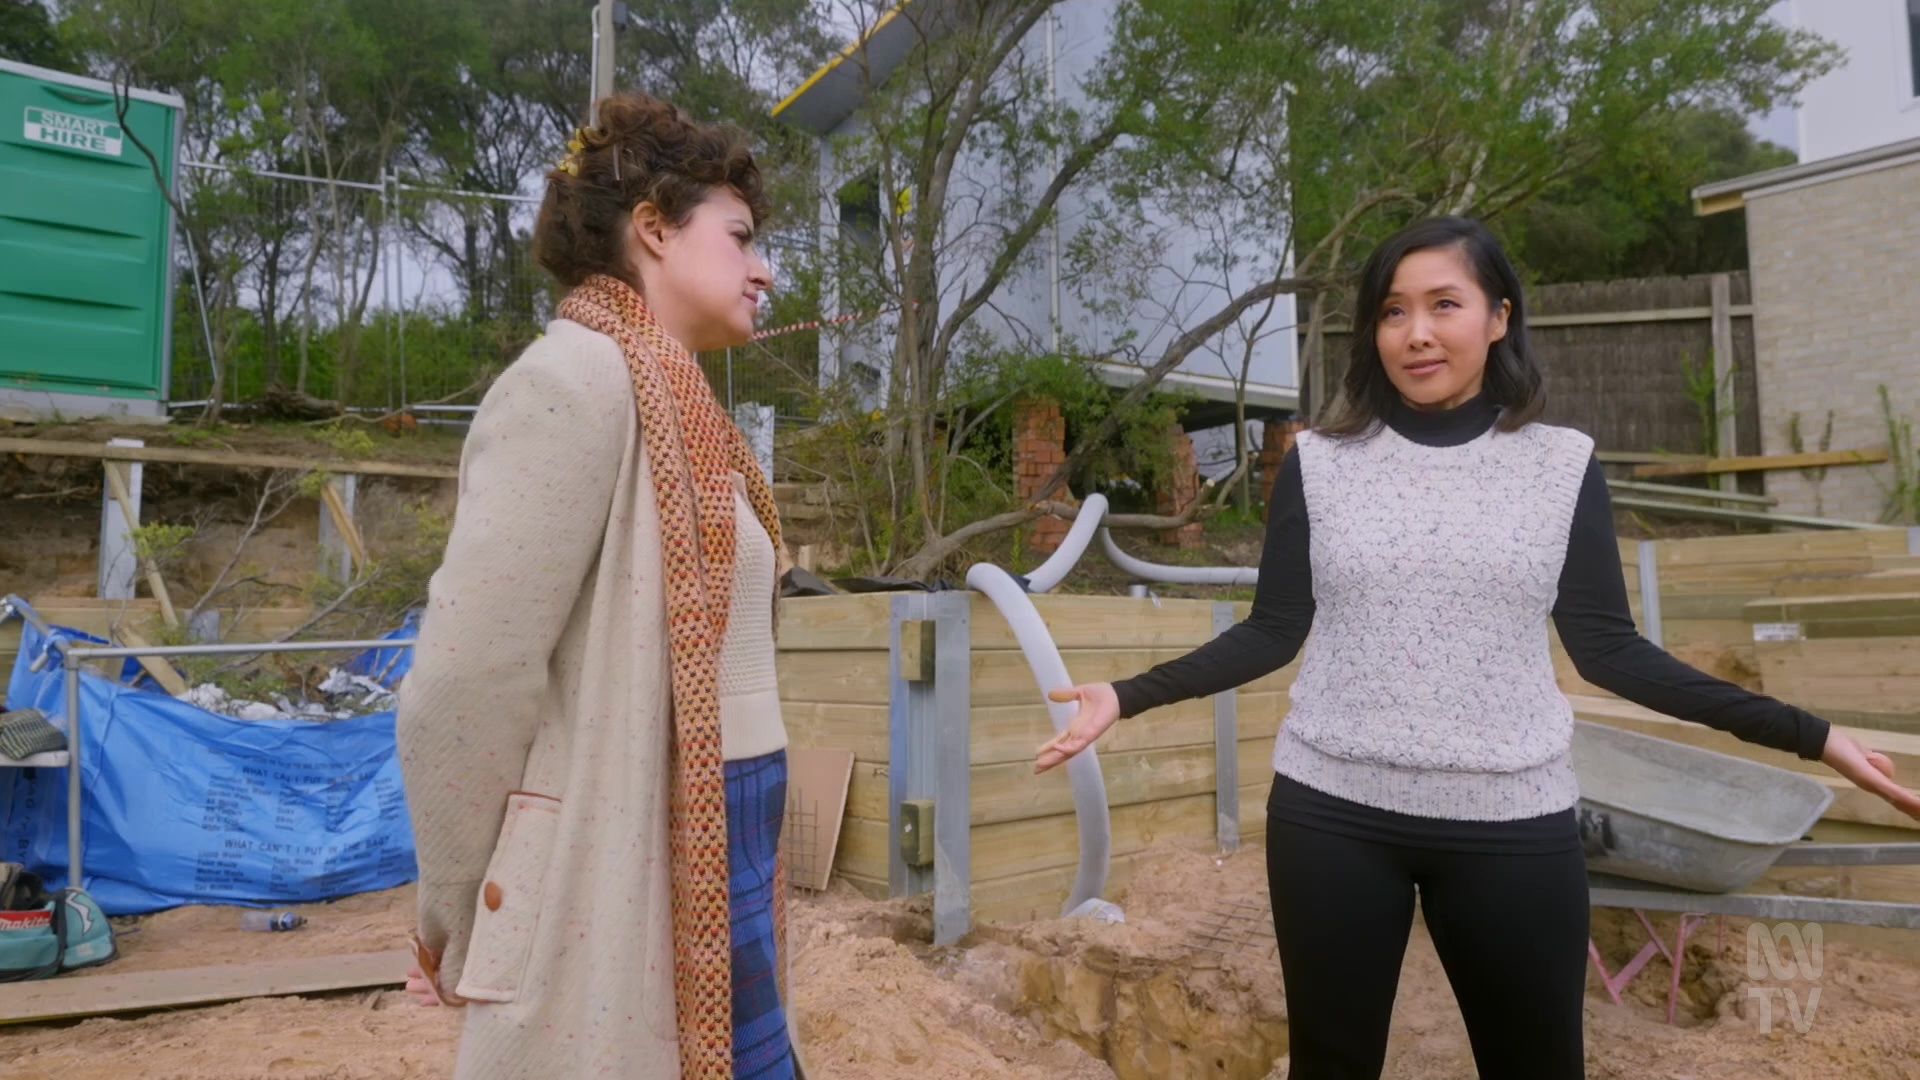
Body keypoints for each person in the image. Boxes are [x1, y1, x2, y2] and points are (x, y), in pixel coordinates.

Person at [1037, 216, 1920, 1080]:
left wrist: (1813, 736)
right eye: (1392, 311)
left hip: (1512, 823)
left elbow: (1612, 652)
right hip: (1333, 817)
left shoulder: (1559, 466)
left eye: (1443, 305)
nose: (1416, 333)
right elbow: (1273, 631)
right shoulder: (1322, 465)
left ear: (1499, 317)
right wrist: (1126, 694)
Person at [395, 92, 803, 1080]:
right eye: (740, 237)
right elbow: (464, 680)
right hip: (627, 847)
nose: (763, 270)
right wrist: (462, 906)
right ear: (654, 229)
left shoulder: (687, 406)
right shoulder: (572, 381)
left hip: (724, 830)